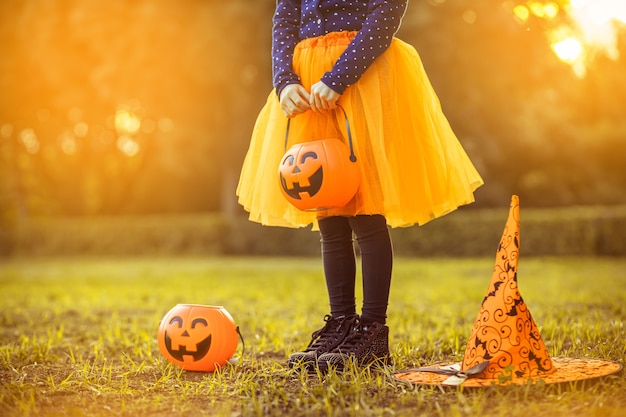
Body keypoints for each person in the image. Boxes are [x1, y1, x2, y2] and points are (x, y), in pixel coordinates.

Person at [236, 0, 483, 372]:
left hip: (360, 78)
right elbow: (285, 17)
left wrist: (339, 78)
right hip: (307, 83)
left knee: (366, 210)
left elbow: (387, 12)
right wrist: (284, 81)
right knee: (329, 214)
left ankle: (371, 331)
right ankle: (340, 325)